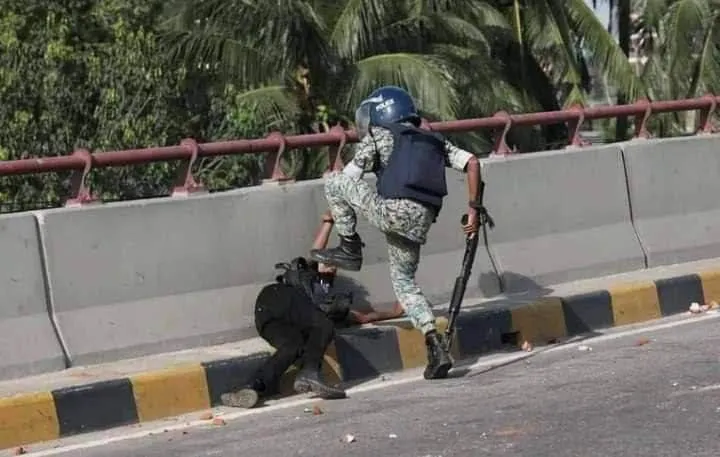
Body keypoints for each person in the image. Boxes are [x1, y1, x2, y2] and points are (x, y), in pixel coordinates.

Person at [309, 85, 485, 381]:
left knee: (334, 182)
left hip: (392, 211)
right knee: (405, 283)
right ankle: (435, 343)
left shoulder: (379, 136)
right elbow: (472, 163)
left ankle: (350, 247)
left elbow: (349, 178)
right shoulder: (435, 141)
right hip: (421, 220)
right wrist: (473, 210)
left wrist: (337, 214)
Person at [221, 212, 404, 409]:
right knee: (324, 323)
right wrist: (328, 223)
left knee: (294, 346)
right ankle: (310, 372)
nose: (331, 266)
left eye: (335, 265)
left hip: (275, 321)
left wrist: (393, 313)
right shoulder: (309, 275)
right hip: (277, 298)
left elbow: (362, 317)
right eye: (328, 261)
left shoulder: (329, 297)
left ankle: (252, 387)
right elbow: (317, 249)